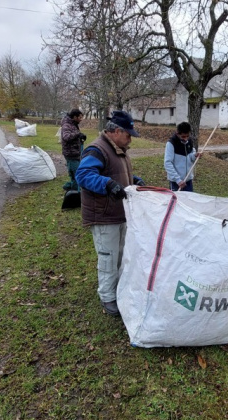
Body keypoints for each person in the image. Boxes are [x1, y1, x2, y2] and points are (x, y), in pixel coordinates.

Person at [76, 110, 146, 316]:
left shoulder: (118, 148)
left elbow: (116, 172)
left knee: (121, 255)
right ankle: (107, 297)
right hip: (104, 216)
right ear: (116, 131)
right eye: (128, 134)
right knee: (108, 258)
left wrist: (134, 179)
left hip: (119, 213)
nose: (130, 139)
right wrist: (107, 184)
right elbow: (84, 175)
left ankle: (118, 289)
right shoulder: (97, 149)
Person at [164, 122, 201, 192]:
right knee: (177, 202)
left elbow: (191, 157)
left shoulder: (190, 141)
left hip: (188, 180)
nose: (186, 139)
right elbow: (167, 163)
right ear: (177, 133)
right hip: (176, 182)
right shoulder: (171, 143)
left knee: (188, 201)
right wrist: (178, 180)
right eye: (183, 137)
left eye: (187, 136)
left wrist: (195, 156)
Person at [60, 109, 86, 191]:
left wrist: (81, 137)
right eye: (80, 117)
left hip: (76, 153)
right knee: (77, 174)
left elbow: (74, 136)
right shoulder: (67, 125)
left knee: (76, 174)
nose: (81, 119)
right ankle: (74, 192)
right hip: (71, 154)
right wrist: (78, 134)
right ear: (75, 117)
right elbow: (66, 137)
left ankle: (70, 187)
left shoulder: (73, 124)